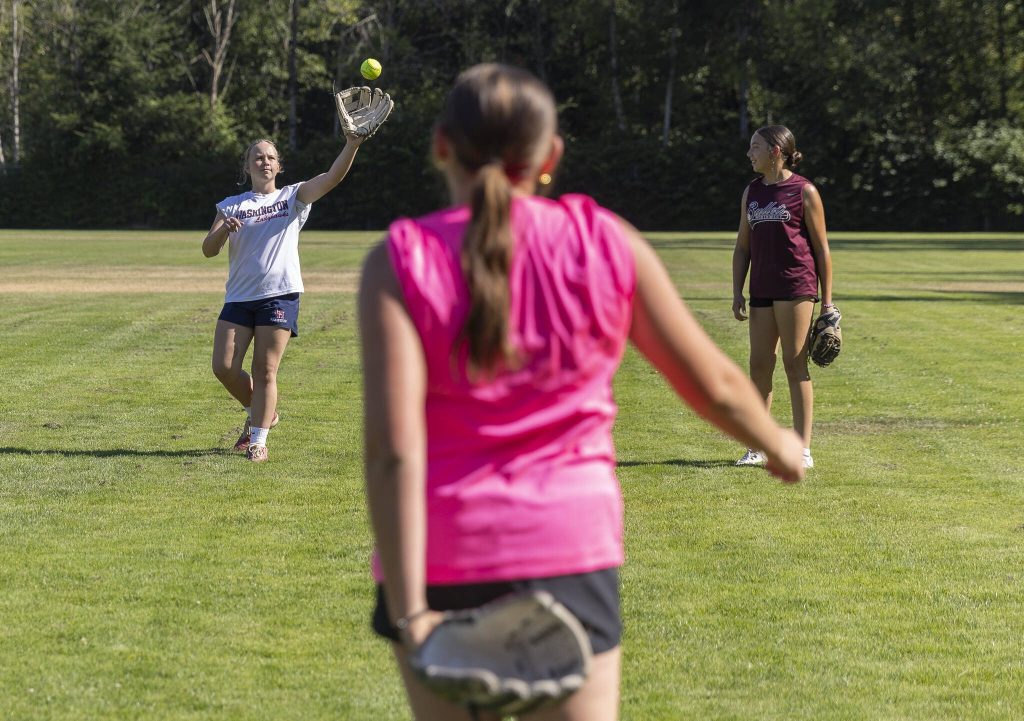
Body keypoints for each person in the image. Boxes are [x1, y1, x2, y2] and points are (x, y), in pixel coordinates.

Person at [359, 63, 806, 721]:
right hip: (567, 550)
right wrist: (777, 443)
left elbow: (393, 453)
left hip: (440, 557)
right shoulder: (605, 242)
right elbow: (709, 381)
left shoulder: (397, 261)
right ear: (551, 157)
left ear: (441, 146)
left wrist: (411, 610)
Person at [202, 134, 365, 462]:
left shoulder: (293, 196)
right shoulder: (231, 204)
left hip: (279, 296)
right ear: (247, 166)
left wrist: (351, 144)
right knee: (223, 366)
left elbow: (332, 178)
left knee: (265, 369)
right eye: (257, 157)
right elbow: (208, 249)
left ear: (279, 166)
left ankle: (258, 441)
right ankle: (262, 411)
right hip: (239, 297)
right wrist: (223, 230)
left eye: (270, 157)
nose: (264, 161)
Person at [731, 125, 835, 470]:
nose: (750, 153)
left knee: (794, 364)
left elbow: (822, 251)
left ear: (776, 151)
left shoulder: (804, 191)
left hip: (796, 287)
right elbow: (743, 245)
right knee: (759, 365)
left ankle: (802, 449)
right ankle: (758, 446)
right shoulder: (752, 191)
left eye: (755, 147)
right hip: (761, 287)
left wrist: (828, 303)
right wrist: (737, 291)